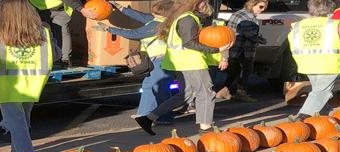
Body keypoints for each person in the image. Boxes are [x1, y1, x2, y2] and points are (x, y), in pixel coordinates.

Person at [135, 0, 231, 135]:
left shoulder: (183, 17)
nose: (206, 4)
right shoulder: (188, 19)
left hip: (181, 62)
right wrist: (216, 49)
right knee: (206, 93)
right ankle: (206, 128)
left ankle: (147, 118)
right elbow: (189, 43)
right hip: (191, 62)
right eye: (204, 2)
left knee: (186, 94)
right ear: (197, 3)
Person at [0, 0, 50, 152]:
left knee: (16, 124)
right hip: (32, 85)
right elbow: (55, 55)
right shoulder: (42, 33)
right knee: (22, 122)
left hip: (7, 87)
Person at [99, 2, 181, 125]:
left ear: (160, 14)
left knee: (161, 89)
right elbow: (141, 16)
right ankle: (145, 113)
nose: (152, 14)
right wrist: (120, 7)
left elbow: (134, 34)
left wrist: (108, 29)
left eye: (155, 12)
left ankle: (165, 118)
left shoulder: (157, 25)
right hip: (156, 60)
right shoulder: (162, 19)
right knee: (148, 86)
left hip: (161, 61)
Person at [287, 0, 340, 120]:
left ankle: (323, 117)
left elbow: (292, 44)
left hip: (307, 64)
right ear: (329, 10)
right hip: (328, 64)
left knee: (319, 89)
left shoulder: (298, 25)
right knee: (322, 91)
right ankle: (303, 116)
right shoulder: (334, 24)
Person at [28, 0, 103, 67]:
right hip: (40, 8)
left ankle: (63, 59)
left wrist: (81, 8)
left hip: (59, 8)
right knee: (45, 33)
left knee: (59, 31)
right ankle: (53, 58)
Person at [222, 0, 266, 102]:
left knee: (235, 70)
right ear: (252, 4)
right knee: (246, 70)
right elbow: (249, 34)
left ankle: (224, 90)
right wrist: (260, 40)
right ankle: (241, 92)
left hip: (234, 47)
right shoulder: (247, 17)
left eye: (264, 7)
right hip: (243, 48)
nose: (263, 10)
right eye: (261, 7)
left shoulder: (239, 13)